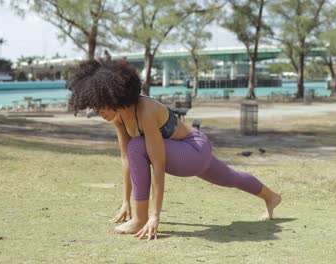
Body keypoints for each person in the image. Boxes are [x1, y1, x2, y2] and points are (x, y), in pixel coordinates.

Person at [66, 58, 282, 240]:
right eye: (95, 106)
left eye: (101, 104)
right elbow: (126, 160)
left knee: (137, 145)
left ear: (114, 95)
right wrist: (125, 201)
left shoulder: (145, 110)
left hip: (193, 150)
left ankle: (139, 220)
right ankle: (271, 197)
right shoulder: (119, 117)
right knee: (232, 178)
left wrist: (153, 216)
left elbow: (157, 166)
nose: (98, 111)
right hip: (185, 154)